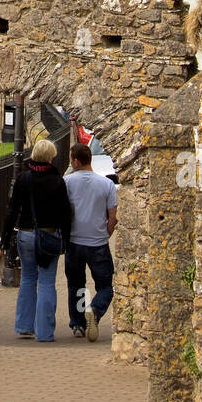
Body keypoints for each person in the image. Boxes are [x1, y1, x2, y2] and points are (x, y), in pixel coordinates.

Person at [0, 139, 72, 342]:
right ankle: (44, 332)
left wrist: (4, 240)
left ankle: (24, 325)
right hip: (49, 234)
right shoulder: (57, 181)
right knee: (47, 282)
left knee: (28, 279)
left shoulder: (24, 178)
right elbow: (65, 213)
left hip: (26, 233)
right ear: (50, 157)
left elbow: (12, 210)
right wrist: (66, 240)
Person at [63, 141, 118, 341]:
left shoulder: (67, 182)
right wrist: (107, 233)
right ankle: (94, 310)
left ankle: (78, 323)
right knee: (105, 286)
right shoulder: (106, 184)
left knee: (77, 285)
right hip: (98, 243)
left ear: (75, 161)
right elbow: (113, 216)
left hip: (75, 242)